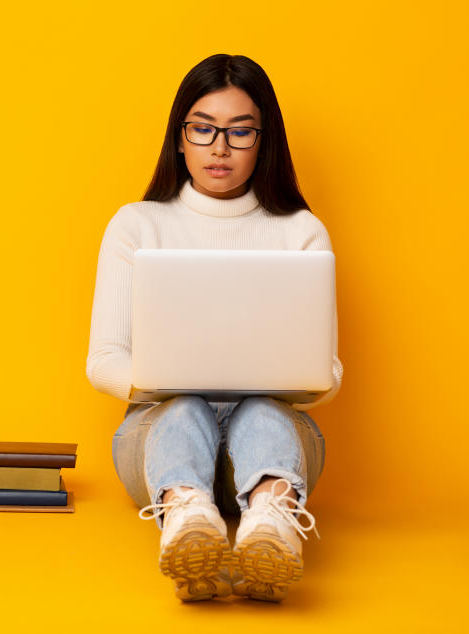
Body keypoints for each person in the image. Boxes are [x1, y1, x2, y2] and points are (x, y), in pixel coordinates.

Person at [85, 54, 343, 603]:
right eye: (202, 129)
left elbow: (330, 375)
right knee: (183, 409)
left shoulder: (301, 232)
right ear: (180, 139)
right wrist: (182, 382)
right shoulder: (137, 225)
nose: (219, 147)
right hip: (159, 444)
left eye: (239, 131)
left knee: (263, 412)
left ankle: (271, 522)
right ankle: (186, 516)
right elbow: (103, 360)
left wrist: (281, 379)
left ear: (264, 140)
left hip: (274, 446)